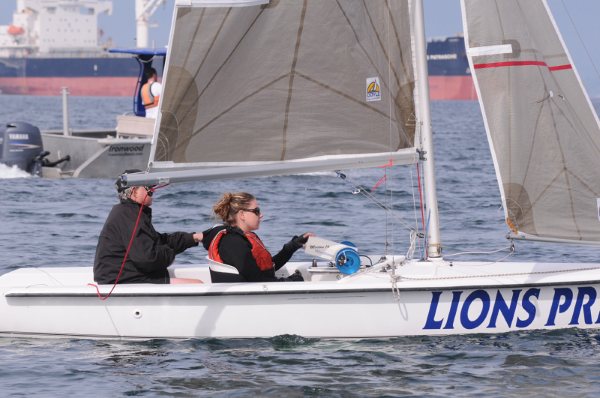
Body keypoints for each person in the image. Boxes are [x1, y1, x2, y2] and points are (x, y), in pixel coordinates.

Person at [93, 169, 203, 285]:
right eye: (148, 187)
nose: (152, 190)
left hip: (130, 277)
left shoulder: (129, 212)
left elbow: (159, 241)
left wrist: (193, 237)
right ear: (134, 192)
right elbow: (147, 259)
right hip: (124, 281)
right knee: (198, 284)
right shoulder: (129, 216)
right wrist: (170, 255)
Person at [203, 192, 312, 283]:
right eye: (256, 211)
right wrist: (290, 281)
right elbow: (257, 280)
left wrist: (293, 246)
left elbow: (266, 269)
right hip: (245, 301)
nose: (261, 215)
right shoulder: (233, 243)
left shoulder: (243, 238)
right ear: (242, 215)